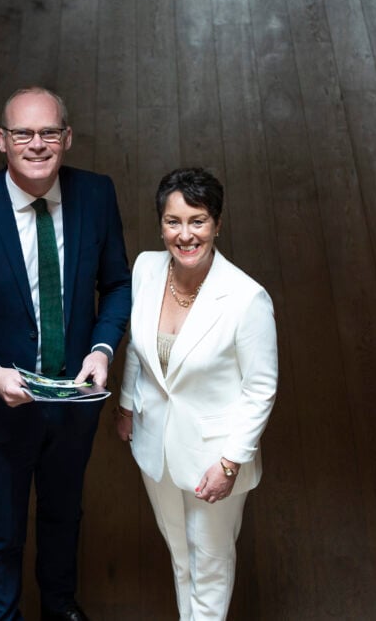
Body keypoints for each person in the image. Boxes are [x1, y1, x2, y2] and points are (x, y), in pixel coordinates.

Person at [0, 86, 132, 621]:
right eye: (22, 134)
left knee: (64, 517)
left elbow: (119, 285)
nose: (37, 145)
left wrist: (103, 347)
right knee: (1, 531)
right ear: (1, 140)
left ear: (68, 138)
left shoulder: (98, 195)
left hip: (73, 401)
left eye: (49, 133)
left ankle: (60, 608)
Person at [115, 168, 277, 621]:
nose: (185, 235)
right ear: (160, 223)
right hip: (156, 445)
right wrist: (127, 405)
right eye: (173, 221)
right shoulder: (146, 268)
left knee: (209, 566)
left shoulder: (247, 298)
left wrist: (231, 462)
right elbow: (137, 346)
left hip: (214, 458)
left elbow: (260, 389)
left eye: (198, 221)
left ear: (217, 224)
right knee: (180, 556)